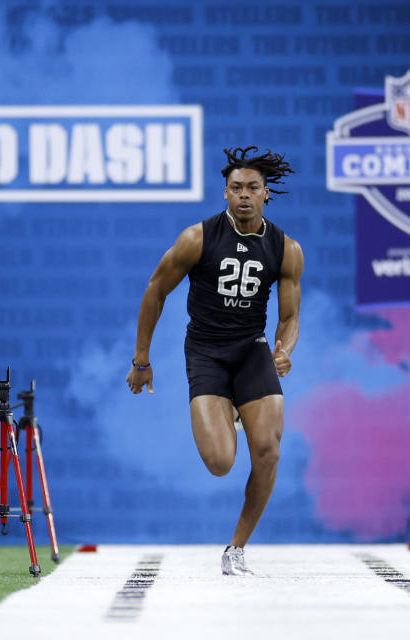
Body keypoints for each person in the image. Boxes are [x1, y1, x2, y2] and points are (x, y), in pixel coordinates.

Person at [126, 146, 304, 576]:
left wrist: (284, 349)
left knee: (267, 451)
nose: (244, 195)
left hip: (251, 351)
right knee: (221, 462)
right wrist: (142, 359)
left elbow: (290, 316)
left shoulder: (287, 248)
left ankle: (236, 548)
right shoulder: (198, 238)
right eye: (235, 188)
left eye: (252, 188)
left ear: (266, 195)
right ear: (225, 193)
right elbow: (155, 289)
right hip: (206, 352)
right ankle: (231, 411)